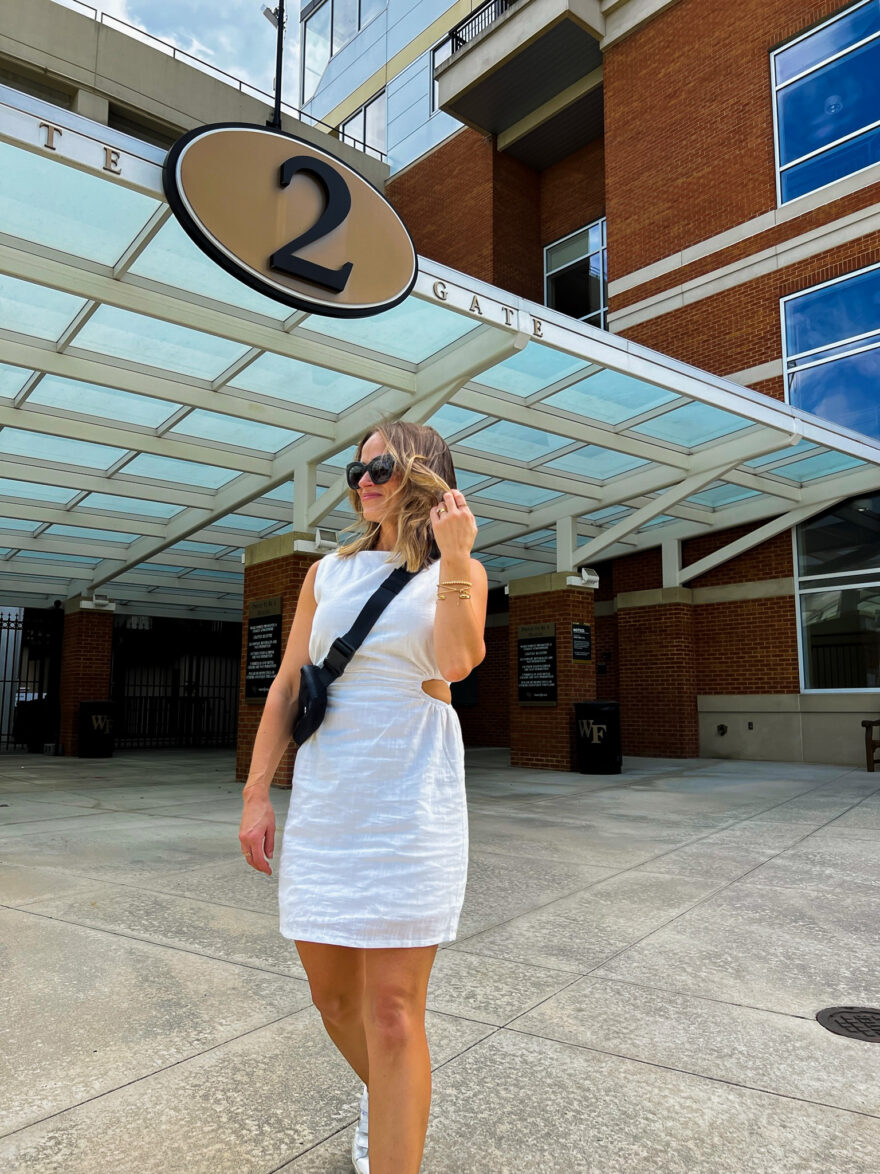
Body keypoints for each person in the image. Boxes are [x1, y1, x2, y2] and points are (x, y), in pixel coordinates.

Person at [238, 419, 488, 1174]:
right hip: (329, 805)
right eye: (356, 470)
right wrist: (256, 794)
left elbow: (456, 662)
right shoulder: (326, 574)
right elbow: (287, 687)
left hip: (411, 805)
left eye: (380, 466)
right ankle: (388, 1106)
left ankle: (391, 1148)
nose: (364, 480)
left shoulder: (460, 570)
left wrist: (454, 557)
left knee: (390, 1011)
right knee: (334, 1001)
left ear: (421, 472)